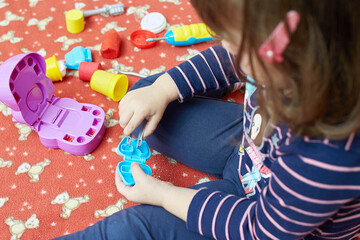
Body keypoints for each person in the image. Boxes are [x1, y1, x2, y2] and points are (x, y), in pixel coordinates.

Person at [55, 0, 360, 239]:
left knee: (133, 229)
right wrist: (163, 89)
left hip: (260, 217)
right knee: (148, 98)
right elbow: (229, 61)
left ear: (281, 47)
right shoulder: (292, 57)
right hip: (246, 149)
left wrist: (163, 195)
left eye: (230, 38)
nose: (223, 45)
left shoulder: (329, 155)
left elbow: (260, 230)